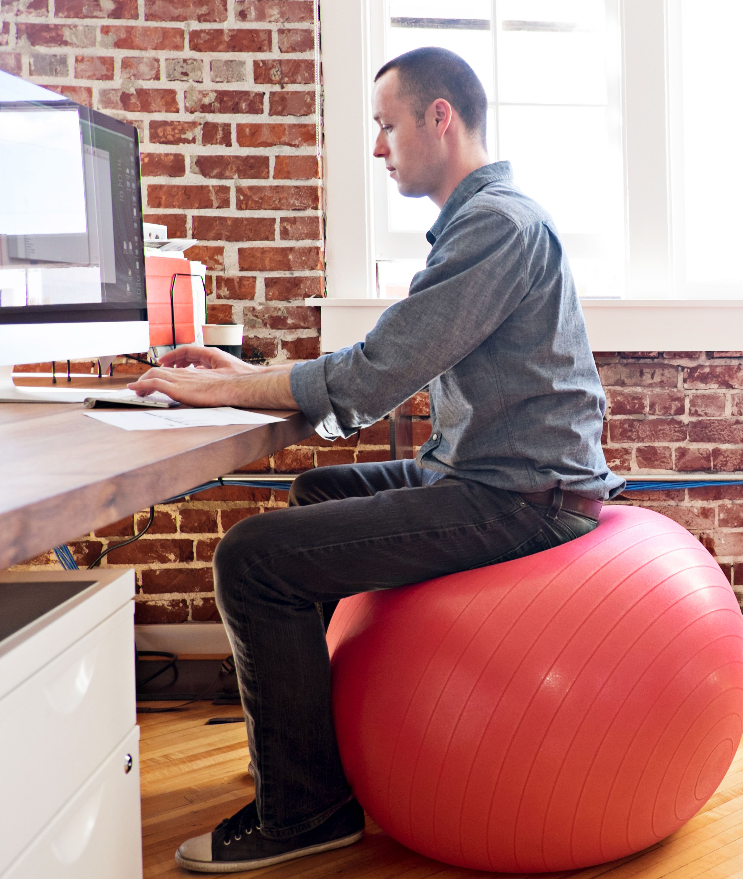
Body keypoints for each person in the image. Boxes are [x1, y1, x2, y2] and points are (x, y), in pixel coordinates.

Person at [133, 47, 625, 873]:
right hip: (482, 471)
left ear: (440, 118)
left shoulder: (496, 224)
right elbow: (381, 360)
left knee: (251, 560)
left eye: (385, 125)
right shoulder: (482, 220)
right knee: (317, 489)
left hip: (523, 495)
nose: (376, 147)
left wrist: (236, 389)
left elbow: (377, 372)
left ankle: (307, 812)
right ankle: (312, 755)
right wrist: (246, 380)